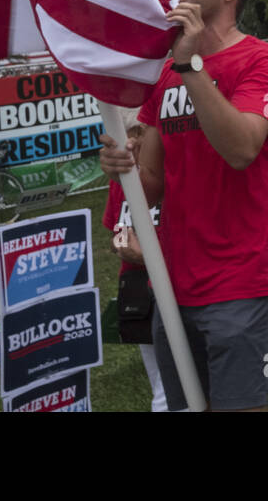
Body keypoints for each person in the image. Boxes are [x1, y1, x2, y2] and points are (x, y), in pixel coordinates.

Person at [98, 0, 268, 412]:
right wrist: (121, 170)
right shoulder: (165, 74)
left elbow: (243, 148)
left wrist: (189, 66)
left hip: (239, 280)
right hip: (173, 282)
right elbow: (153, 182)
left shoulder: (261, 62)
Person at [101, 111, 168, 412]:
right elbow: (114, 232)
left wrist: (151, 257)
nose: (128, 144)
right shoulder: (123, 178)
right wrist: (122, 246)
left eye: (133, 134)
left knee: (178, 381)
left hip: (177, 284)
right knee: (161, 379)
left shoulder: (172, 172)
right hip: (140, 291)